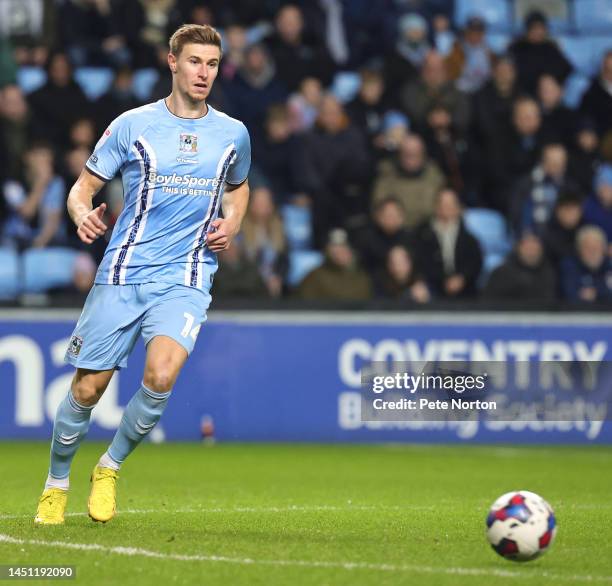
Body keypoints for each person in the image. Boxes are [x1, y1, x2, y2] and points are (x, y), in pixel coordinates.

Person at [34, 24, 251, 525]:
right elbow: (81, 188)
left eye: (212, 64)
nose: (204, 73)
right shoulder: (132, 124)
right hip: (124, 274)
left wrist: (234, 221)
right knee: (88, 390)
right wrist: (80, 212)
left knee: (161, 373)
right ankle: (56, 482)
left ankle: (109, 468)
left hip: (187, 275)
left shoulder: (233, 132)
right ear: (172, 62)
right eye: (195, 61)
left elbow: (238, 187)